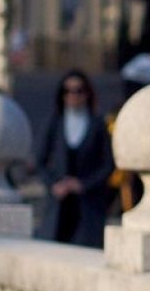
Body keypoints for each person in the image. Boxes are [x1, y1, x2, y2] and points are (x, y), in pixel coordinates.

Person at [36, 70, 116, 247]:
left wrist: (83, 184)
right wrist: (54, 184)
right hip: (58, 208)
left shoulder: (97, 125)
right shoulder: (54, 123)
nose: (73, 95)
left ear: (87, 93)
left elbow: (108, 164)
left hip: (88, 207)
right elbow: (40, 161)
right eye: (68, 91)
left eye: (79, 90)